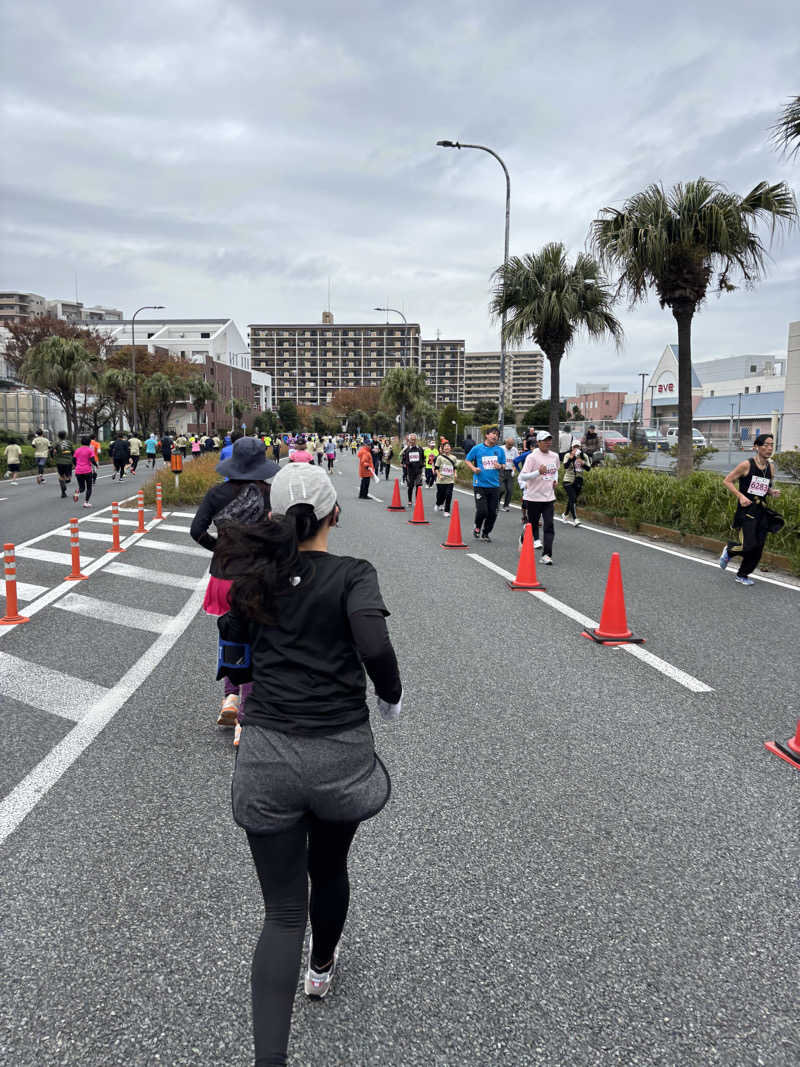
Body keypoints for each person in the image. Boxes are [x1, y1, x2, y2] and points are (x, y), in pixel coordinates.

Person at [215, 461, 402, 1066]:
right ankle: (321, 968)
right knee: (330, 865)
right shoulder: (353, 574)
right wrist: (390, 698)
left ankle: (269, 1059)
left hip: (267, 751)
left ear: (274, 517)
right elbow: (374, 644)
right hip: (338, 754)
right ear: (333, 516)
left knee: (282, 908)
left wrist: (244, 685)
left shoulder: (257, 577)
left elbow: (232, 645)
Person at [190, 436, 280, 734]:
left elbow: (196, 530)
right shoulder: (271, 494)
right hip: (259, 577)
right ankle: (247, 711)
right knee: (259, 639)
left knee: (230, 632)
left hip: (223, 576)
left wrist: (219, 549)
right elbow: (283, 533)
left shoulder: (217, 494)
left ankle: (230, 696)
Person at [719, 433, 783, 586]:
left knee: (758, 547)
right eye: (766, 445)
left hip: (762, 511)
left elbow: (764, 486)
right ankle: (729, 550)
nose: (769, 448)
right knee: (749, 545)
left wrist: (771, 492)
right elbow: (727, 481)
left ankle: (742, 575)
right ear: (756, 447)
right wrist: (740, 496)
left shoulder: (770, 467)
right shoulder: (746, 465)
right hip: (746, 510)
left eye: (771, 445)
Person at [518, 430, 560, 564]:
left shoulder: (554, 456)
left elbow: (555, 471)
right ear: (539, 442)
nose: (548, 443)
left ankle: (547, 555)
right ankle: (525, 536)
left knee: (549, 525)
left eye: (550, 440)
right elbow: (523, 476)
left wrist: (555, 480)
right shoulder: (532, 457)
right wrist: (538, 472)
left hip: (548, 497)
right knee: (533, 524)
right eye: (545, 440)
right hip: (533, 497)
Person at [464, 427, 506, 543]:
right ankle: (477, 527)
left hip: (494, 485)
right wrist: (474, 468)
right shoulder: (477, 448)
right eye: (493, 433)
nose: (495, 436)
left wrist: (500, 466)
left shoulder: (500, 450)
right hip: (479, 484)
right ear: (487, 435)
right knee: (482, 511)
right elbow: (467, 460)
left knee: (493, 512)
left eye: (497, 435)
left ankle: (486, 533)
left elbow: (504, 464)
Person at [561, 441, 590, 525]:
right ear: (572, 447)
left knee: (572, 499)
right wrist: (571, 458)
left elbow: (588, 469)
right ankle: (575, 519)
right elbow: (565, 467)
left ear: (580, 448)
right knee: (572, 498)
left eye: (578, 447)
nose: (576, 449)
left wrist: (582, 463)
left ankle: (565, 514)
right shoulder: (568, 455)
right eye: (574, 447)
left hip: (578, 480)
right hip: (568, 480)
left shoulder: (584, 456)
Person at [433, 441, 459, 516]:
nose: (447, 448)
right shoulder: (439, 457)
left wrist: (455, 473)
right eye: (445, 447)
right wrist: (439, 475)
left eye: (448, 446)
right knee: (441, 495)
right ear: (443, 449)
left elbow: (455, 467)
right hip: (441, 480)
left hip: (450, 480)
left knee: (448, 495)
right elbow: (436, 468)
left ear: (450, 448)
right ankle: (438, 503)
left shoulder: (454, 458)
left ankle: (446, 511)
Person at [72, 435, 98, 507]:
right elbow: (92, 460)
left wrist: (77, 465)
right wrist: (96, 465)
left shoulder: (77, 450)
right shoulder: (90, 450)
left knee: (82, 488)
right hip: (87, 471)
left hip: (78, 471)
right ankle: (86, 502)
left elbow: (73, 460)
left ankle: (77, 492)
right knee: (89, 487)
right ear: (89, 443)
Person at [401, 434, 425, 505]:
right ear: (409, 440)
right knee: (410, 486)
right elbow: (403, 460)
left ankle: (417, 500)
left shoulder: (420, 448)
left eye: (414, 439)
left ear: (416, 440)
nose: (413, 441)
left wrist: (422, 464)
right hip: (410, 471)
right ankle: (410, 500)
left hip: (418, 471)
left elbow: (423, 457)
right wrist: (407, 463)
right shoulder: (407, 449)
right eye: (412, 439)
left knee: (418, 486)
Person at [53, 431, 74, 499]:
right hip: (68, 462)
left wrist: (53, 457)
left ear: (58, 436)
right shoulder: (69, 443)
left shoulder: (56, 443)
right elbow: (73, 452)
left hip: (59, 462)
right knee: (69, 477)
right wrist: (74, 461)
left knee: (61, 476)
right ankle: (66, 480)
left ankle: (63, 492)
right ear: (65, 436)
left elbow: (51, 450)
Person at [500, 436, 518, 511]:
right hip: (501, 471)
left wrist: (514, 470)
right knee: (501, 489)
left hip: (510, 472)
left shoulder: (514, 450)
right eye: (509, 444)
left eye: (512, 445)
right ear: (506, 443)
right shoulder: (501, 449)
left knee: (510, 490)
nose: (510, 446)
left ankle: (506, 505)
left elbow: (516, 462)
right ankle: (496, 504)